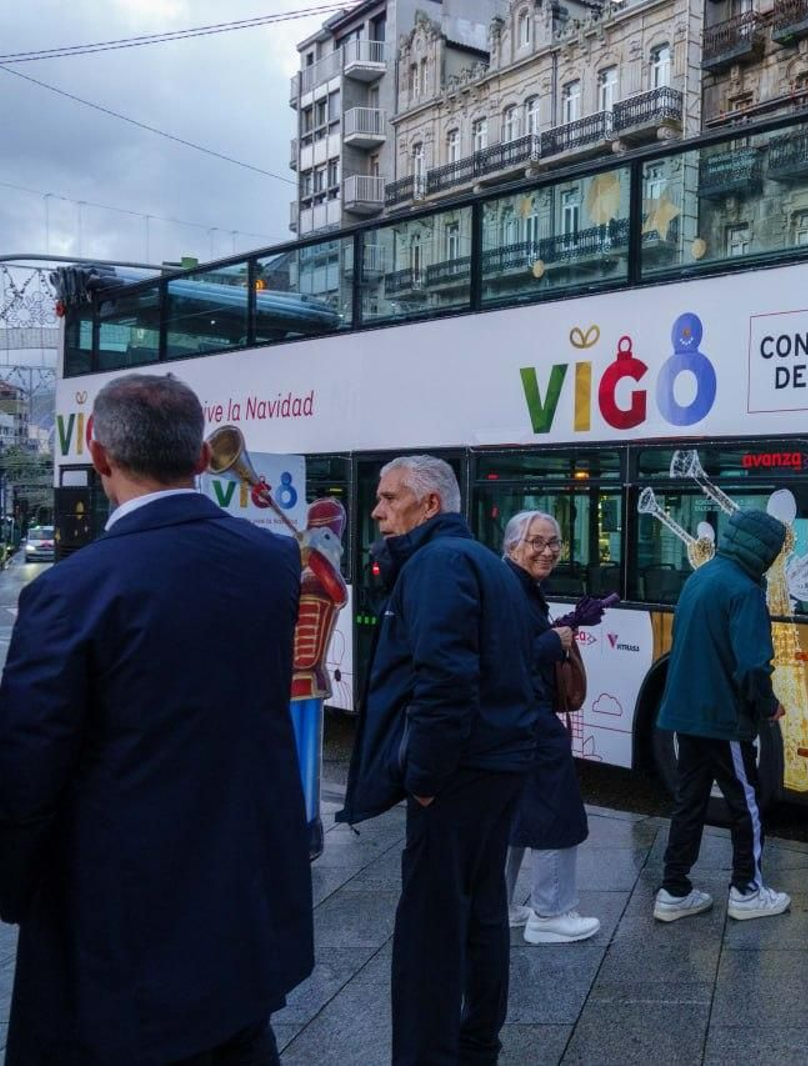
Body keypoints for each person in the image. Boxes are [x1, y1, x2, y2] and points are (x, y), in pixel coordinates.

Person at [0, 373, 312, 1064]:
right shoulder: (269, 562)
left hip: (120, 927)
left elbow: (28, 766)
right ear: (202, 458)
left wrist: (14, 885)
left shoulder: (71, 591)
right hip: (244, 901)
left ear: (98, 452)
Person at [337, 456, 538, 1066]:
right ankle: (478, 1046)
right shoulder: (483, 562)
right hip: (496, 767)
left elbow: (445, 679)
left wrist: (423, 779)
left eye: (389, 498)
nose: (377, 511)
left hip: (456, 779)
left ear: (430, 505)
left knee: (429, 935)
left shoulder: (436, 563)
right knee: (482, 916)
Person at [654, 508, 792, 922]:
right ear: (764, 550)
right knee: (745, 802)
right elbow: (752, 665)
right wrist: (768, 705)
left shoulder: (702, 576)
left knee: (689, 801)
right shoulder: (745, 590)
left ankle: (674, 889)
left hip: (685, 712)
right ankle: (747, 890)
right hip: (722, 716)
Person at [500, 510, 600, 944]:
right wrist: (551, 641)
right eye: (537, 542)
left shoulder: (515, 586)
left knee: (515, 814)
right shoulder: (510, 589)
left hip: (515, 719)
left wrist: (562, 628)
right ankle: (551, 913)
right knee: (554, 810)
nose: (548, 551)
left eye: (555, 542)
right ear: (512, 546)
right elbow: (505, 655)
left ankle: (498, 905)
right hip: (528, 718)